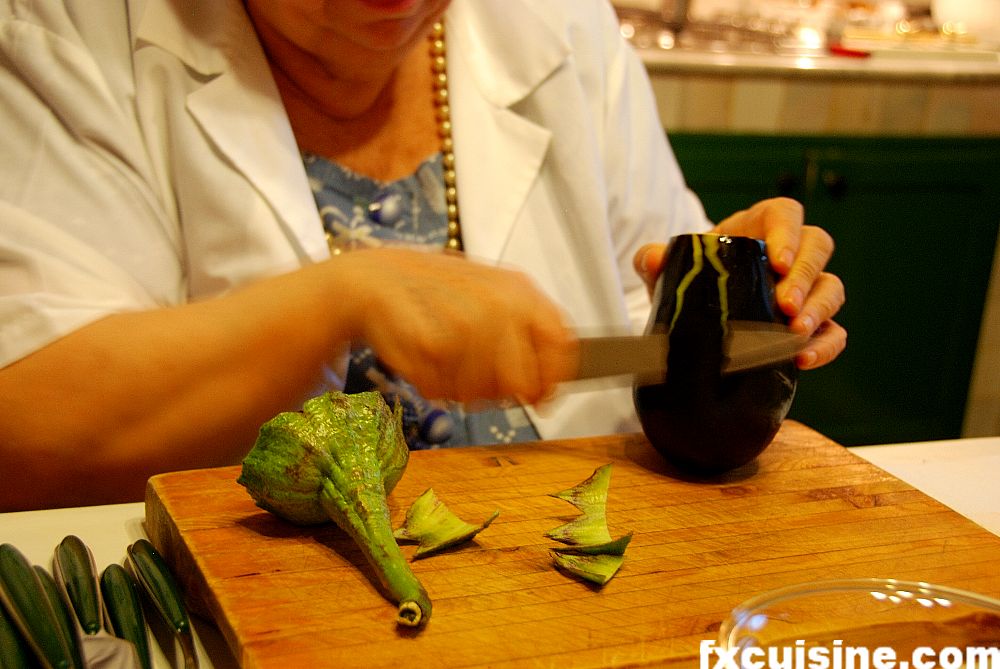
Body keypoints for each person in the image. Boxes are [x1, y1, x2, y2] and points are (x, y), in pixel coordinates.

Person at [0, 0, 845, 511]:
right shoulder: (72, 30)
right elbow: (29, 436)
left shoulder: (558, 22)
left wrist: (722, 295)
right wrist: (339, 301)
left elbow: (639, 310)